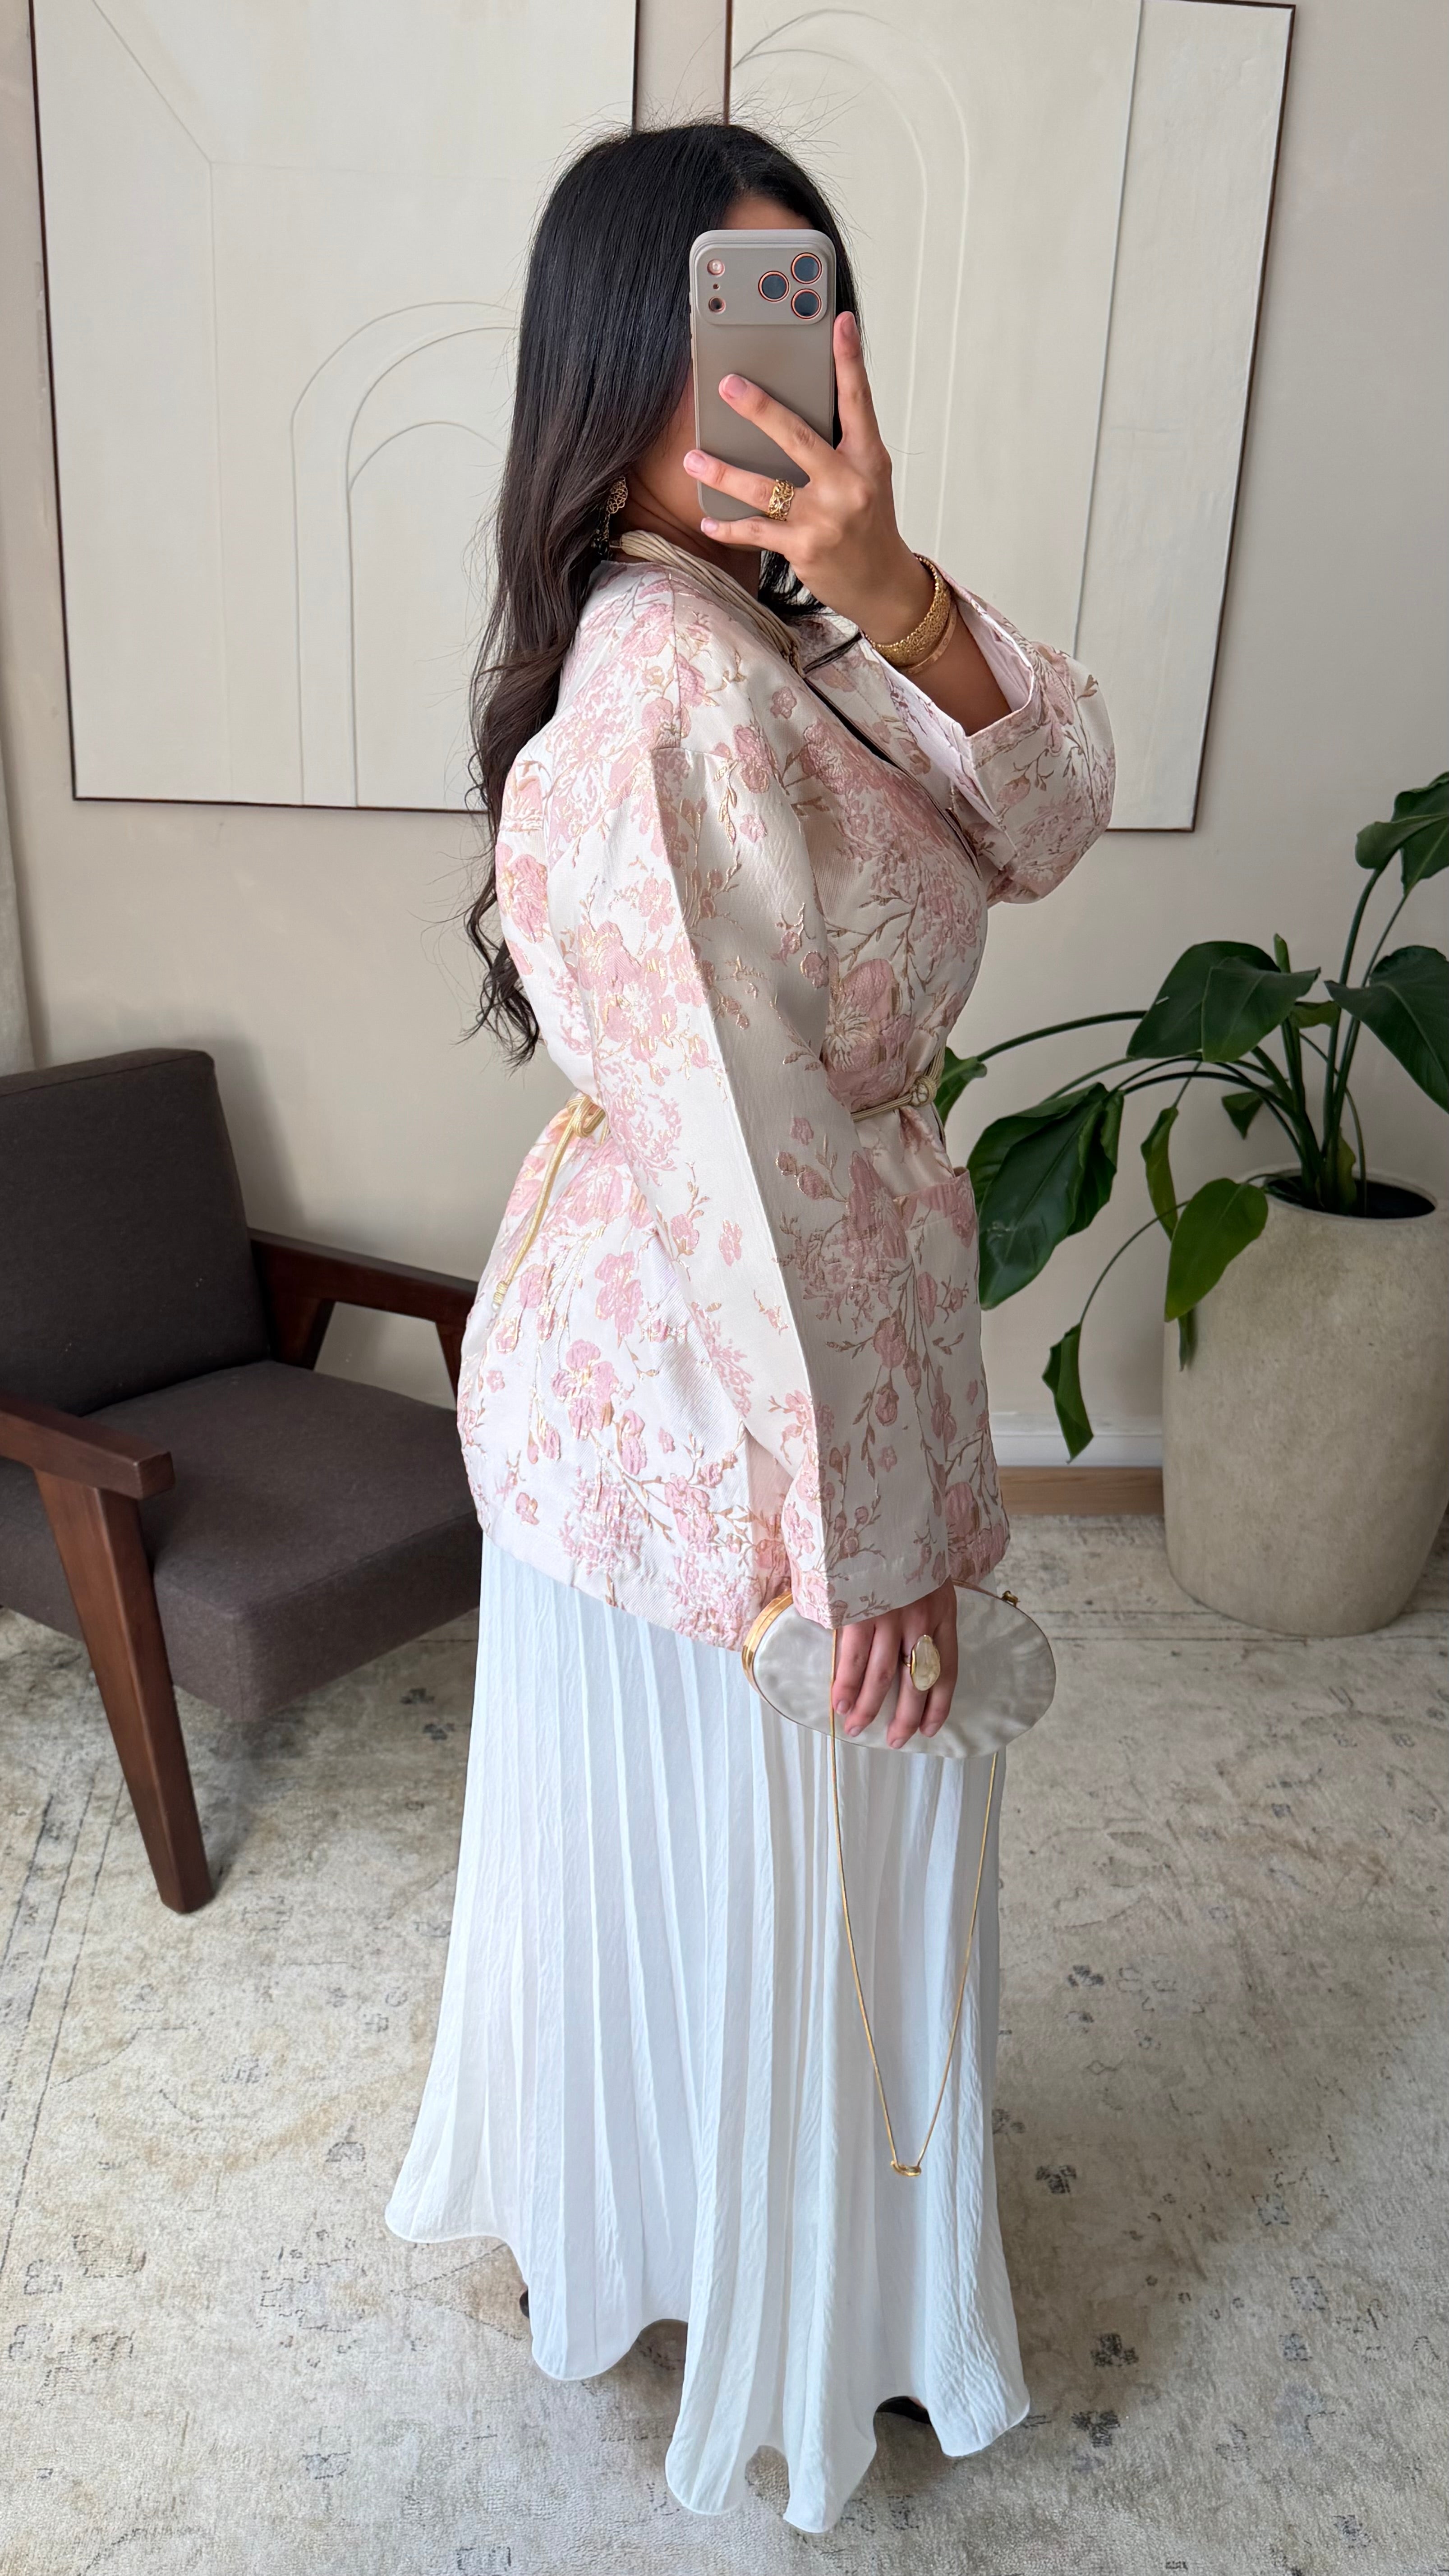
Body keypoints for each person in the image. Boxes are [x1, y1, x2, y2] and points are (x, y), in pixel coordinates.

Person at [385, 120, 1113, 2535]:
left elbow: (1054, 811)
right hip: (719, 1369)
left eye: (801, 315)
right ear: (618, 362)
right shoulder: (662, 679)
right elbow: (738, 1151)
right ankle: (753, 2278)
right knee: (772, 1829)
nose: (771, 378)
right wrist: (855, 1537)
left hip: (775, 1316)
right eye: (721, 324)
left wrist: (902, 590)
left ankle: (736, 2238)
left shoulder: (802, 622)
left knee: (757, 1856)